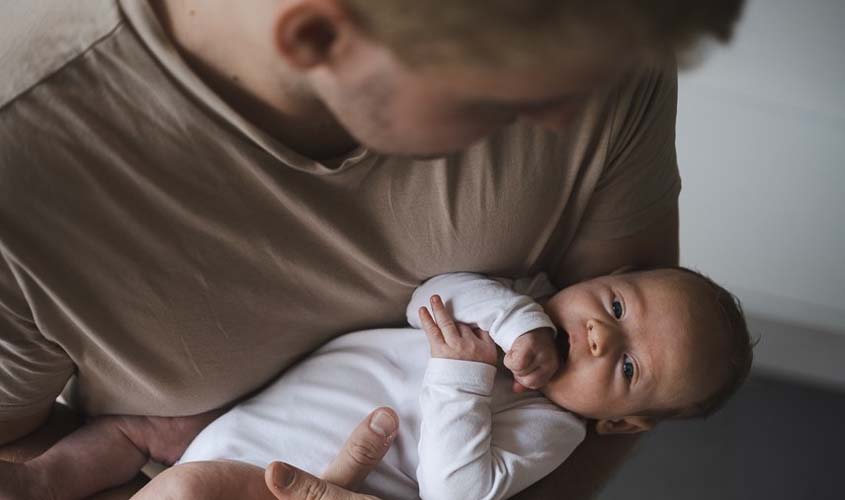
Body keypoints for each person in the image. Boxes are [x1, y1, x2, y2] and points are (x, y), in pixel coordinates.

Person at [0, 0, 746, 498]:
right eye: (508, 89)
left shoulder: (592, 37)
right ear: (318, 37)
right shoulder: (25, 166)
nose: (563, 116)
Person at [3, 268, 753, 499]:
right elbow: (427, 294)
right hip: (226, 418)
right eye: (616, 306)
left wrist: (464, 376)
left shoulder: (551, 429)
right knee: (138, 427)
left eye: (625, 366)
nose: (597, 334)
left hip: (267, 481)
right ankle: (35, 484)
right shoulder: (510, 302)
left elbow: (456, 491)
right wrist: (515, 322)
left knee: (190, 489)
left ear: (621, 424)